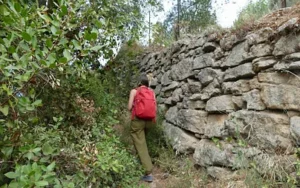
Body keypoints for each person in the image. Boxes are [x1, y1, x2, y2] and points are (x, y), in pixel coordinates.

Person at [128, 74, 155, 182]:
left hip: (138, 121)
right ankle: (142, 160)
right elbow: (155, 107)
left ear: (139, 82)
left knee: (140, 144)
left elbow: (129, 107)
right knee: (142, 142)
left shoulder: (134, 91)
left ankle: (148, 173)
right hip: (150, 121)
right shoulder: (151, 92)